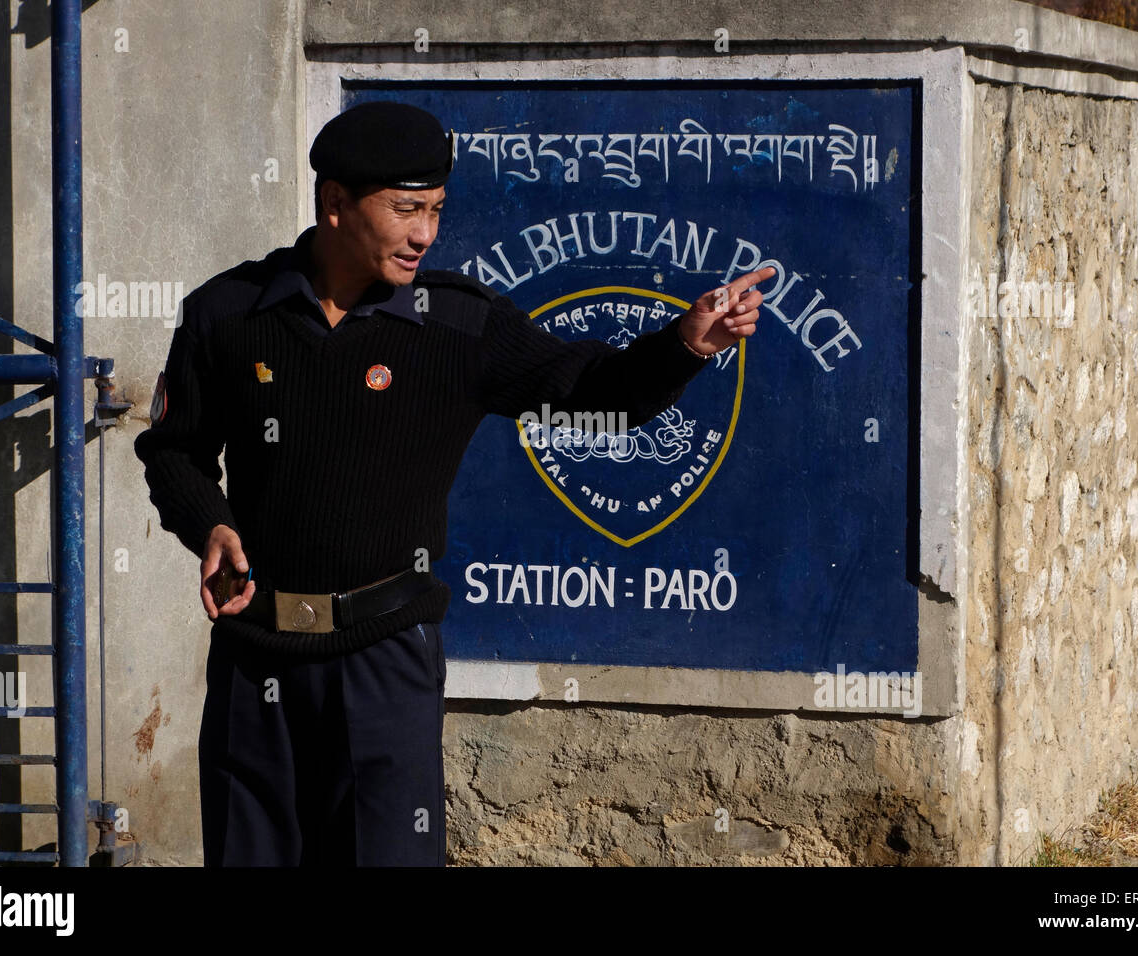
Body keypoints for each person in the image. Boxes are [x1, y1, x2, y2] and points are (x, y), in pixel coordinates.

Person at [133, 100, 772, 867]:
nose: (425, 234)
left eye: (435, 210)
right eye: (405, 210)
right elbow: (173, 450)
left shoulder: (457, 326)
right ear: (335, 203)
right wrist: (211, 524)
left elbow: (592, 389)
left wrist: (684, 345)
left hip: (385, 666)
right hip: (254, 665)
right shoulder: (228, 314)